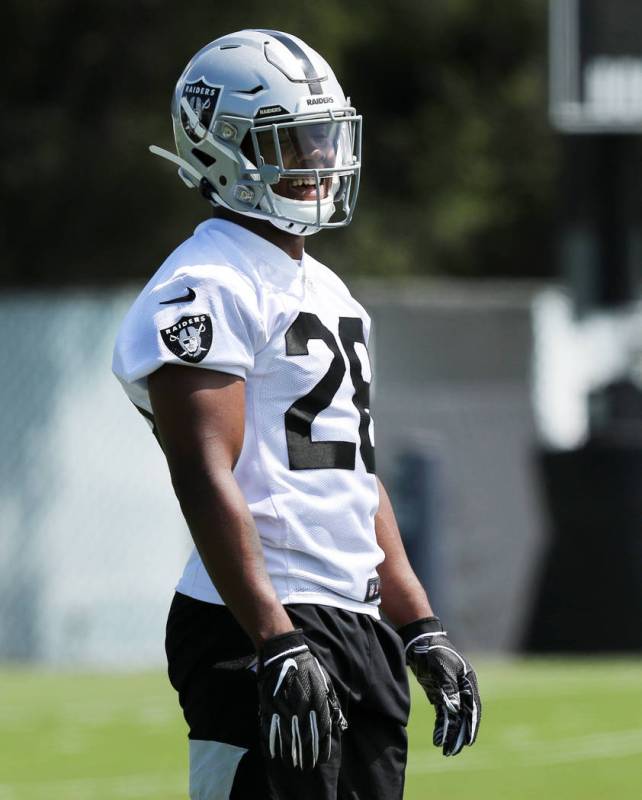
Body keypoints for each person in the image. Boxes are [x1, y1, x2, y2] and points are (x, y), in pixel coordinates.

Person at [112, 29, 481, 800]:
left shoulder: (327, 289)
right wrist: (274, 639)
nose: (319, 160)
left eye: (322, 137)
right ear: (223, 150)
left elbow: (351, 476)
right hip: (263, 613)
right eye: (293, 141)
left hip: (352, 615)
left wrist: (419, 624)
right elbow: (205, 474)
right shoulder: (206, 284)